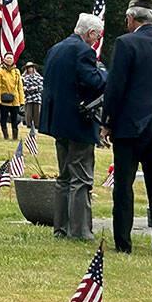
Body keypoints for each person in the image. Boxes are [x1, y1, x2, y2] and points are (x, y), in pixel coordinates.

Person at [102, 0, 152, 255]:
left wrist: (107, 122)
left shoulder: (126, 43)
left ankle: (123, 243)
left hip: (130, 123)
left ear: (132, 18)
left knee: (123, 185)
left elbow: (116, 87)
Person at [40, 13, 107, 241]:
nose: (97, 40)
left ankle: (61, 228)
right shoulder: (84, 51)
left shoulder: (56, 49)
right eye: (97, 36)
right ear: (90, 33)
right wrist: (106, 74)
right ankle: (79, 232)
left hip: (58, 121)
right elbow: (94, 82)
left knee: (64, 177)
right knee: (81, 178)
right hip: (78, 122)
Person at [0, 53, 25, 139]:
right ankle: (6, 136)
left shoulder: (16, 71)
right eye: (7, 58)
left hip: (15, 99)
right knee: (3, 118)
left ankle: (15, 136)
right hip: (4, 99)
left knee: (15, 119)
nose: (9, 59)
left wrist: (22, 100)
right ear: (4, 59)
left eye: (11, 58)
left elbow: (20, 86)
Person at [21, 61, 43, 129]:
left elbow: (42, 87)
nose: (30, 69)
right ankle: (28, 124)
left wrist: (35, 88)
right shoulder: (23, 77)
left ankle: (37, 125)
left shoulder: (39, 77)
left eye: (31, 67)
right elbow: (21, 87)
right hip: (28, 97)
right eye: (28, 68)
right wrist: (27, 89)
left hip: (37, 97)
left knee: (37, 112)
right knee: (28, 112)